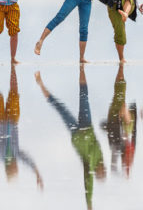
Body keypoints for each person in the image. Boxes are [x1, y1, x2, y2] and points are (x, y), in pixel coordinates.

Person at [35, 66, 106, 209]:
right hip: (86, 125)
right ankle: (82, 68)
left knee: (59, 108)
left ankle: (40, 84)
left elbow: (88, 184)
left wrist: (89, 204)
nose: (102, 170)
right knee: (84, 95)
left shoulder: (90, 166)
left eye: (101, 173)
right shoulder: (99, 156)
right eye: (103, 171)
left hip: (76, 134)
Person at [100, 63, 137, 177]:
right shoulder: (128, 145)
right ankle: (121, 69)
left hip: (115, 117)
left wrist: (124, 170)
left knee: (119, 93)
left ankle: (121, 70)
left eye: (127, 159)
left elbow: (113, 165)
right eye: (129, 159)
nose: (129, 158)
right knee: (119, 93)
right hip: (122, 117)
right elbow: (135, 131)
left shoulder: (116, 147)